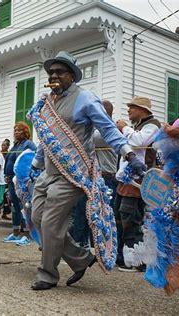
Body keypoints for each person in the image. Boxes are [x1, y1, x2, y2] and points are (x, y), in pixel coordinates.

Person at [28, 51, 146, 290]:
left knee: (51, 222)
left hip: (73, 173)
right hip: (48, 173)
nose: (54, 75)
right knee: (37, 218)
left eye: (59, 71)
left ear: (72, 75)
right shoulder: (47, 102)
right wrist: (35, 164)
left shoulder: (86, 98)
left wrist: (129, 154)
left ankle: (47, 274)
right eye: (51, 72)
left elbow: (109, 129)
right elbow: (46, 139)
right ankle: (81, 259)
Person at [113, 96, 161, 271]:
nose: (128, 111)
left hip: (138, 180)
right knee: (120, 217)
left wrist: (123, 127)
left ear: (142, 110)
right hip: (127, 179)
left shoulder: (153, 124)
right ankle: (122, 257)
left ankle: (136, 261)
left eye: (132, 108)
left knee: (131, 218)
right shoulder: (139, 126)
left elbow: (139, 141)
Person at [69, 100, 118, 250]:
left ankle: (98, 249)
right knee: (83, 211)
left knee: (99, 214)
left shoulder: (107, 128)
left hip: (104, 177)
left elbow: (84, 140)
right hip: (92, 176)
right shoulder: (96, 127)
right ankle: (81, 245)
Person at [3, 122, 36, 242]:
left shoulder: (29, 144)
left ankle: (27, 234)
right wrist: (6, 175)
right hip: (11, 180)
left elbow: (33, 159)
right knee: (14, 206)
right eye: (15, 130)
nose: (16, 132)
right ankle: (15, 232)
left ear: (25, 131)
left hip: (22, 181)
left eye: (19, 130)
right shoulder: (16, 145)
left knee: (24, 206)